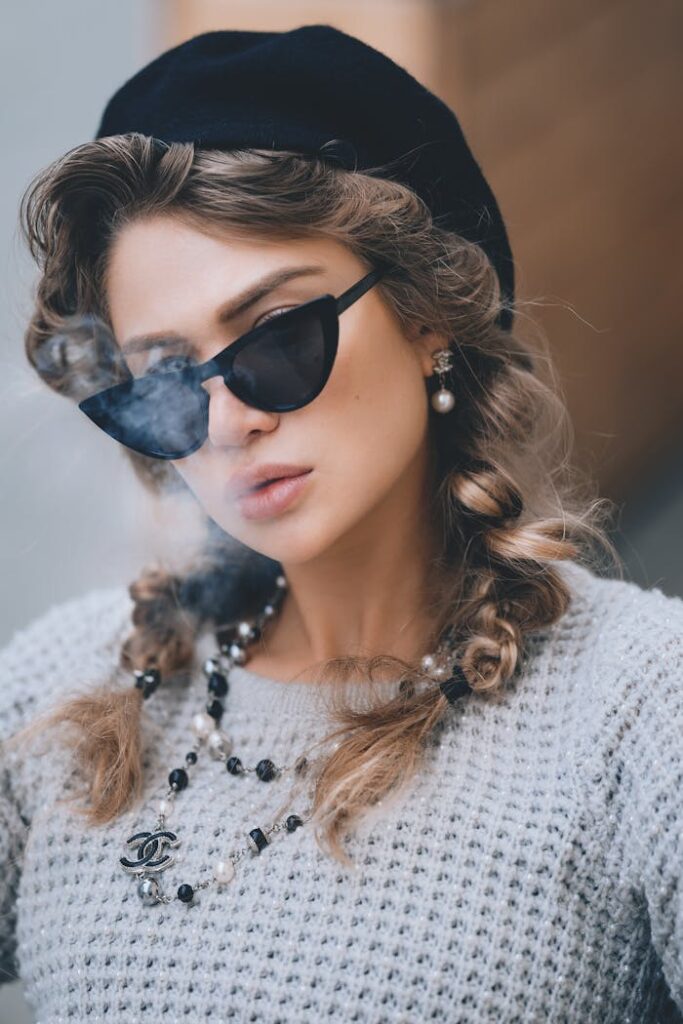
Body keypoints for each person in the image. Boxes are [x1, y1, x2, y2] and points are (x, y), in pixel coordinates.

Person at [1, 24, 681, 1024]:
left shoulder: (637, 709)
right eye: (167, 380)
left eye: (279, 336)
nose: (231, 419)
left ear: (424, 314)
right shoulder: (59, 694)